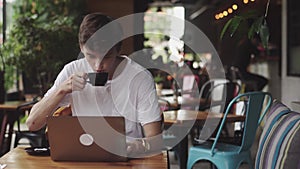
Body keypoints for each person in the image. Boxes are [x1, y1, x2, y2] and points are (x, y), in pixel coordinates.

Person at [26, 13, 162, 156]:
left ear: (118, 49)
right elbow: (32, 124)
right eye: (90, 56)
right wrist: (61, 90)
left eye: (106, 57)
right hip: (83, 156)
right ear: (81, 48)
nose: (98, 66)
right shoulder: (72, 70)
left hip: (127, 160)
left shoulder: (139, 78)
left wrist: (139, 146)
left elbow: (155, 142)